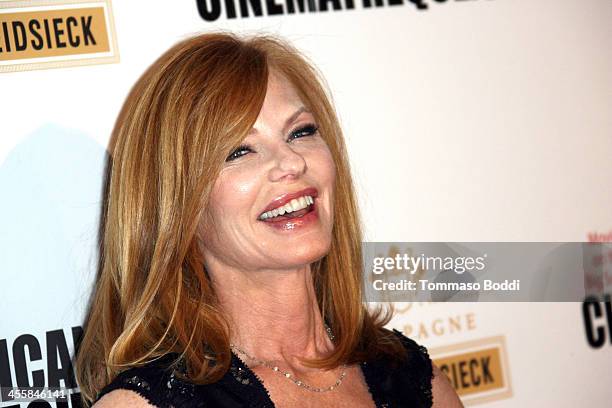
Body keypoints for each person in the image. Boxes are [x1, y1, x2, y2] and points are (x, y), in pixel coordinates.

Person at [75, 31, 463, 408]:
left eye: (301, 131)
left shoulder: (412, 376)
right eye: (239, 151)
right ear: (178, 208)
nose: (292, 162)